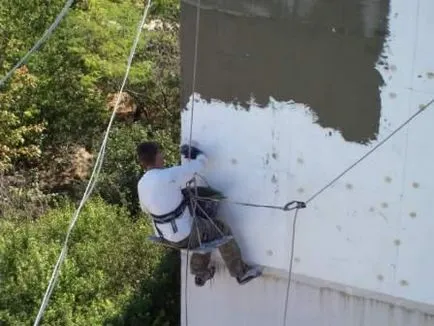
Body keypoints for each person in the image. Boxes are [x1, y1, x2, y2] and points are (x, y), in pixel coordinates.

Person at [136, 140, 262, 286]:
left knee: (202, 227)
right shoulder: (170, 175)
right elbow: (201, 163)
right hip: (185, 236)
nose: (162, 155)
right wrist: (197, 154)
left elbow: (146, 209)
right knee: (221, 230)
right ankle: (241, 272)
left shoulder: (142, 184)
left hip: (164, 236)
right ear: (157, 156)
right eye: (160, 153)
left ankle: (201, 273)